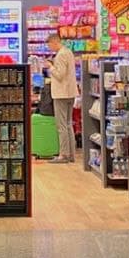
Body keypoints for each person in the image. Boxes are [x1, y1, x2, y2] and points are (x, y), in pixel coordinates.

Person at [46, 33, 77, 163]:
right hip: (70, 92)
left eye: (49, 45)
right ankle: (71, 154)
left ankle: (63, 155)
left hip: (61, 94)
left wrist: (50, 67)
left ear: (54, 42)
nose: (50, 48)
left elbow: (60, 75)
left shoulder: (60, 55)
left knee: (62, 125)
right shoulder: (68, 52)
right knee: (68, 124)